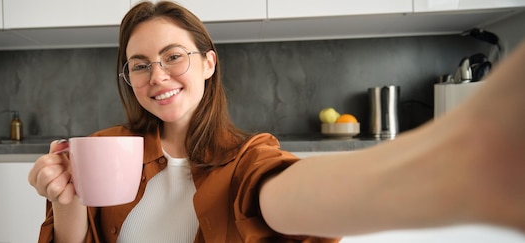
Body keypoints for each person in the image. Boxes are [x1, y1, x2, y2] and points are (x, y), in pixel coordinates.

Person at [28, 1, 525, 242]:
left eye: (173, 56)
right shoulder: (103, 147)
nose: (157, 76)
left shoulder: (246, 158)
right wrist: (62, 198)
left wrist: (446, 167)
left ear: (208, 62)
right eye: (139, 64)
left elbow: (281, 193)